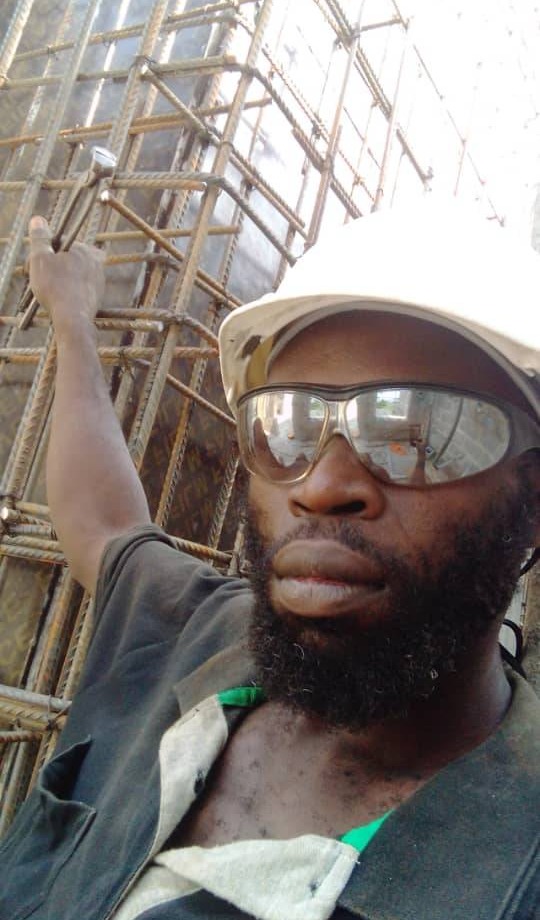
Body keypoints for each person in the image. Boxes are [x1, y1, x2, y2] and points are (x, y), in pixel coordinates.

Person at [0, 202, 539, 920]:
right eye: (288, 424)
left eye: (417, 430)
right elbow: (104, 524)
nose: (320, 485)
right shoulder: (193, 634)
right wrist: (71, 317)